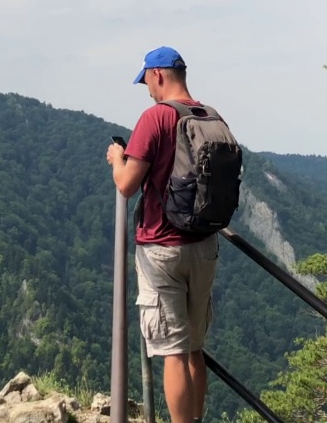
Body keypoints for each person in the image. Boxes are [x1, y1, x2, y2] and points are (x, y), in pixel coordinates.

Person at [106, 45, 219, 423]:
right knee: (194, 348)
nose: (149, 91)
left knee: (173, 349)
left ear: (158, 75)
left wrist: (116, 160)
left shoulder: (155, 118)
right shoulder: (209, 115)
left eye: (147, 83)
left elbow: (127, 185)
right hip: (204, 245)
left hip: (162, 248)